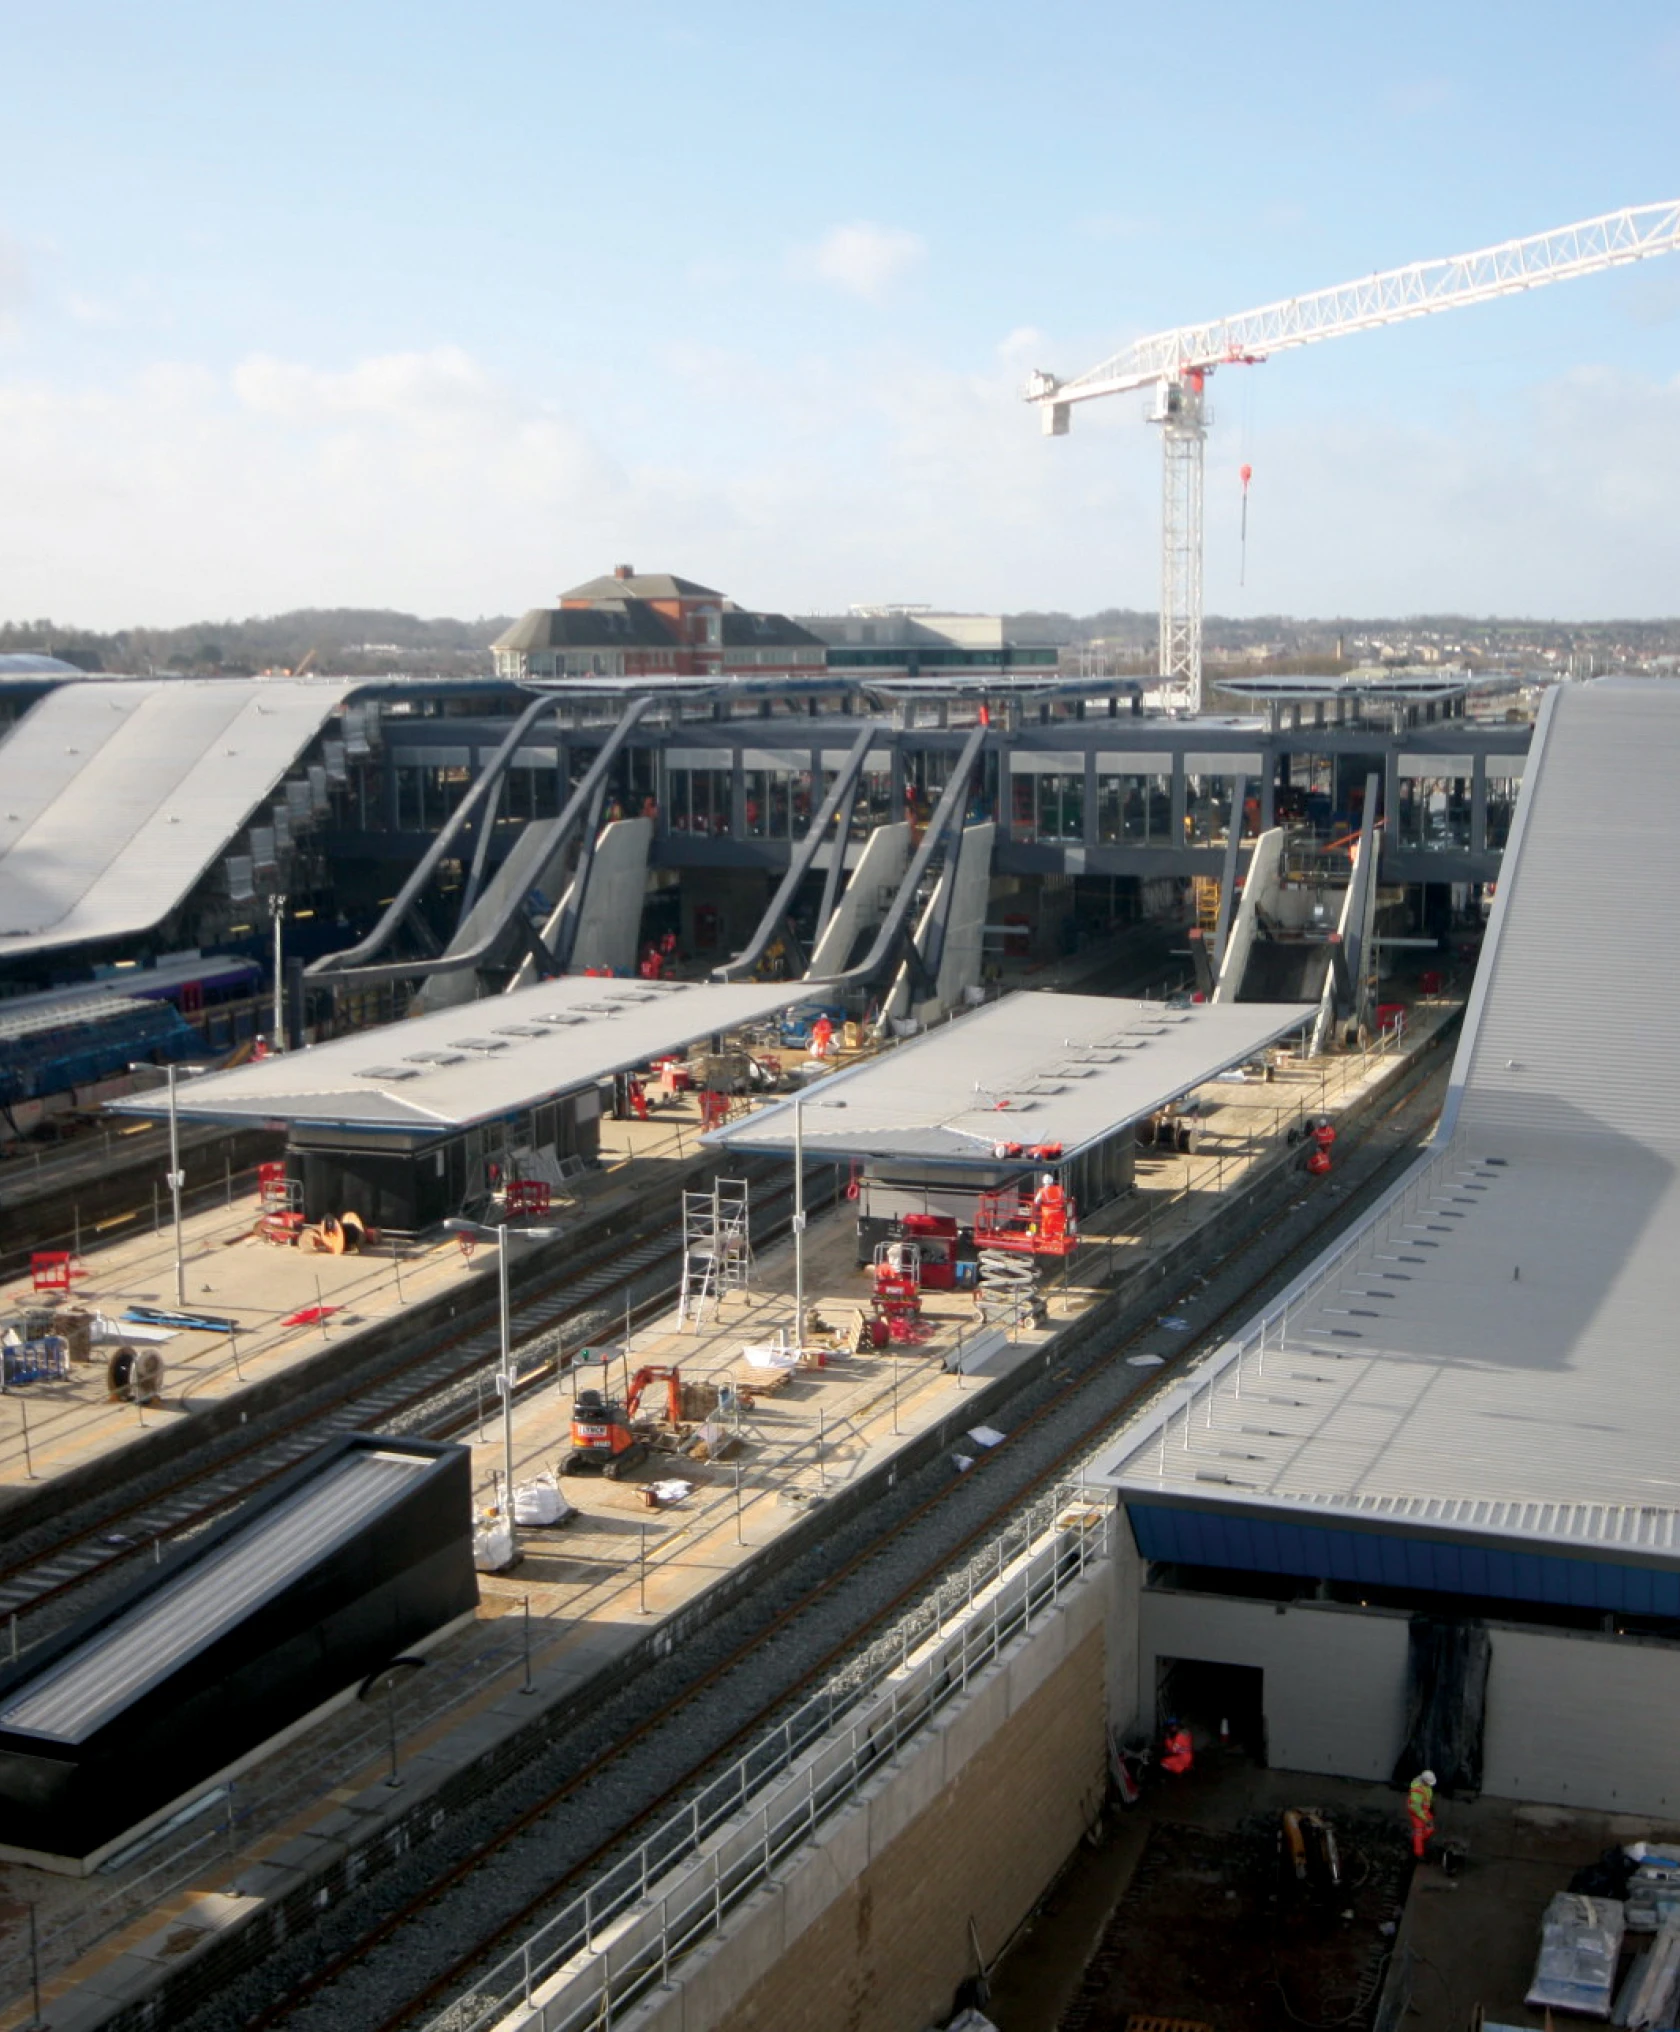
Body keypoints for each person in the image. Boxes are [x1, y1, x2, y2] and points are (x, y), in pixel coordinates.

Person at [1407, 1769, 1436, 1859]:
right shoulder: (1417, 1791)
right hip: (1417, 1813)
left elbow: (1428, 1797)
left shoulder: (1425, 1786)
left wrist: (1430, 1807)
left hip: (1424, 1811)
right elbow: (1416, 1809)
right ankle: (1418, 1853)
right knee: (1419, 1832)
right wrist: (1426, 1819)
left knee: (1429, 1828)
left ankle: (1416, 1840)